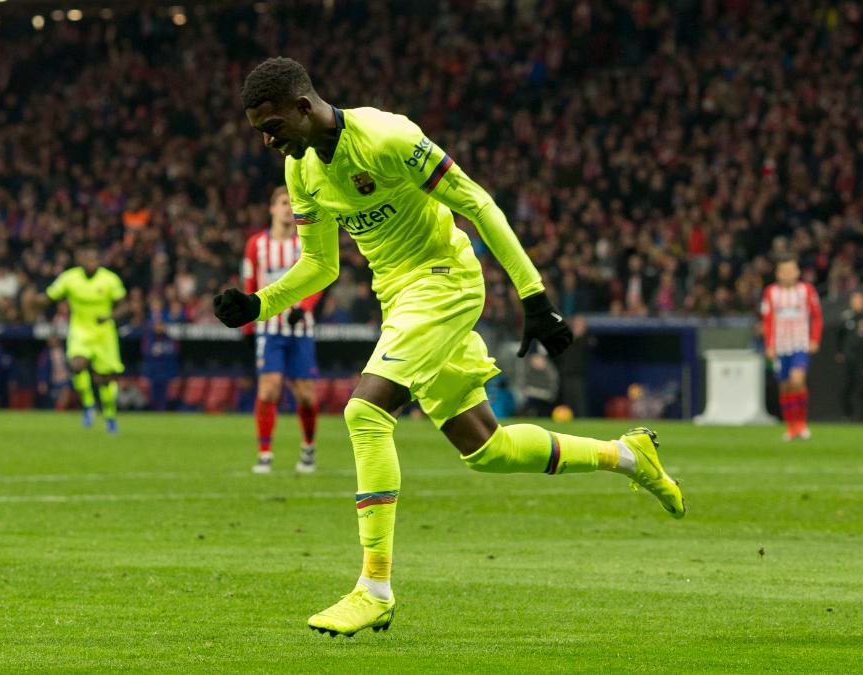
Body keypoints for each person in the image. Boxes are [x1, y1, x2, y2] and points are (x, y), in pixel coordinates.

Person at [216, 57, 684, 637]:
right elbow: (320, 264)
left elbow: (477, 203)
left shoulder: (389, 136)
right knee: (487, 447)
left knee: (364, 413)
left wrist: (533, 294)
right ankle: (629, 456)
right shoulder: (301, 172)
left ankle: (374, 587)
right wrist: (260, 304)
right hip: (402, 300)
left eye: (272, 124)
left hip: (444, 280)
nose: (266, 139)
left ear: (304, 108)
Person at [242, 186, 322, 474]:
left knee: (306, 396)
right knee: (268, 390)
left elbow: (319, 277)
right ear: (272, 208)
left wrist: (304, 308)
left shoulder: (306, 242)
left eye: (292, 203)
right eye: (283, 203)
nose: (288, 208)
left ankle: (308, 448)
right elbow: (250, 286)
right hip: (270, 329)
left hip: (301, 329)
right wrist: (248, 326)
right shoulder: (256, 245)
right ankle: (264, 453)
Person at [44, 244, 127, 433]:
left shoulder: (109, 279)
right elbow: (50, 296)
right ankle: (89, 405)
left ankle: (110, 414)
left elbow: (125, 305)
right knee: (76, 365)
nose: (90, 263)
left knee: (104, 378)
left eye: (93, 260)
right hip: (80, 331)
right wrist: (35, 300)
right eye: (86, 259)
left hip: (104, 334)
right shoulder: (70, 278)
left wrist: (110, 317)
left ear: (99, 261)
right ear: (81, 260)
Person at [759, 253, 822, 440]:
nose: (787, 274)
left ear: (797, 272)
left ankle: (801, 424)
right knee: (785, 386)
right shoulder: (771, 293)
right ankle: (791, 426)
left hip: (800, 344)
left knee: (797, 380)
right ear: (778, 273)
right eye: (783, 271)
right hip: (780, 346)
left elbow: (817, 316)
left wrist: (814, 339)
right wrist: (769, 344)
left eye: (791, 270)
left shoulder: (807, 290)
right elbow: (768, 320)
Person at [835, 291, 863, 422]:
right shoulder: (845, 317)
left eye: (860, 300)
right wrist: (840, 352)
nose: (857, 303)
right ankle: (847, 415)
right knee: (846, 386)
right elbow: (838, 337)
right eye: (855, 300)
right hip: (848, 358)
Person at [141, 319, 180, 411]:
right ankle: (153, 410)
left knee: (165, 394)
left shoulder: (169, 339)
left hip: (165, 371)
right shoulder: (149, 339)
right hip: (153, 371)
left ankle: (162, 410)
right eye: (157, 326)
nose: (159, 328)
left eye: (161, 326)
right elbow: (145, 353)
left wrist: (162, 351)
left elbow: (175, 353)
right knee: (153, 393)